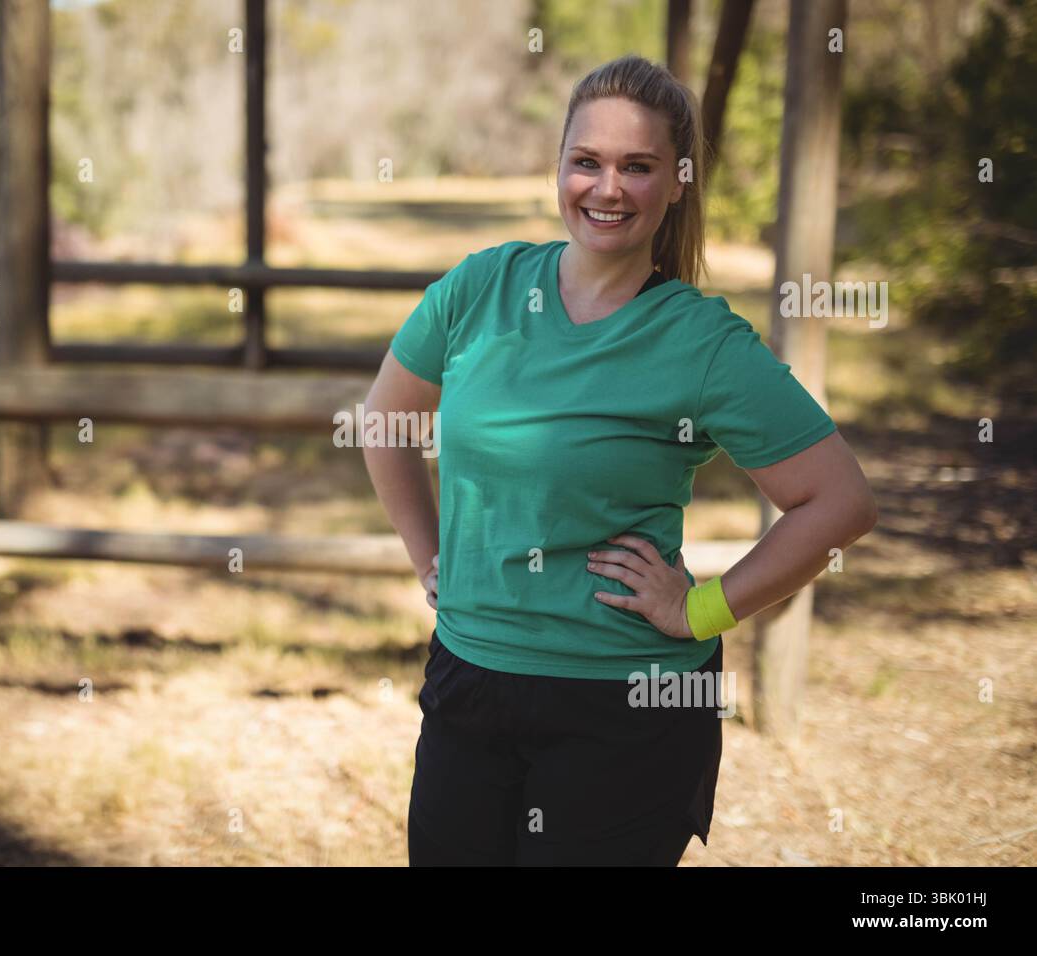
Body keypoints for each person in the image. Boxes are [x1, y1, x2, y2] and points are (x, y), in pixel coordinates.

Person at [361, 54, 878, 866]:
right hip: (468, 676)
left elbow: (840, 502)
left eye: (637, 167)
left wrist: (704, 608)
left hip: (627, 705)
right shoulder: (480, 287)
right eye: (587, 162)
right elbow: (385, 421)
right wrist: (429, 560)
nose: (607, 189)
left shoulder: (702, 343)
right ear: (559, 167)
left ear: (677, 183)